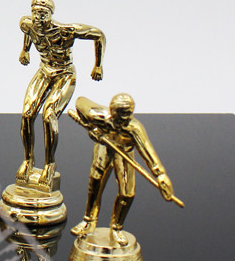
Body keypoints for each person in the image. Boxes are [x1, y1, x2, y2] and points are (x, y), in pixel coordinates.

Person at [17, 0, 105, 188]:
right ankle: (28, 160)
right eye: (35, 13)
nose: (38, 18)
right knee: (27, 114)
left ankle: (49, 164)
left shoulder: (66, 31)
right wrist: (25, 50)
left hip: (64, 74)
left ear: (50, 14)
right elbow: (29, 33)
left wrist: (98, 65)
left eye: (43, 14)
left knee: (49, 115)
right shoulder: (26, 24)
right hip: (44, 71)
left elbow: (98, 35)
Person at [69, 94, 175, 246]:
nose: (123, 123)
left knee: (127, 193)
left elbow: (147, 151)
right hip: (104, 148)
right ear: (112, 113)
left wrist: (161, 175)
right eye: (120, 119)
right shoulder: (100, 115)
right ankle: (88, 221)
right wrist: (92, 131)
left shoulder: (134, 128)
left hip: (124, 154)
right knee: (95, 182)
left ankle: (117, 228)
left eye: (127, 118)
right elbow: (80, 102)